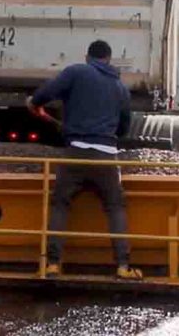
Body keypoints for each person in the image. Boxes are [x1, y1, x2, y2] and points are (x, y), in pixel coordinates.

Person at [26, 40, 142, 280]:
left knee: (60, 203)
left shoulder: (76, 72)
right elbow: (124, 128)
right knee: (115, 206)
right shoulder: (120, 88)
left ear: (87, 56)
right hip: (107, 157)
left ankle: (53, 265)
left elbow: (45, 94)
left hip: (76, 151)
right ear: (109, 59)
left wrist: (35, 104)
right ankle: (122, 266)